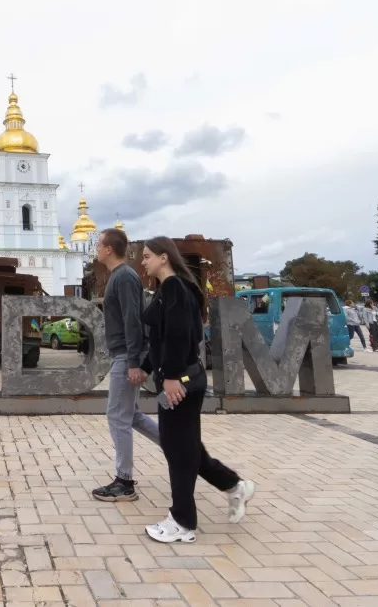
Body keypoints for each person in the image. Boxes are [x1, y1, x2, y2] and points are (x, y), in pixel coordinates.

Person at [137, 236, 254, 544]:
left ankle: (183, 522)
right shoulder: (170, 290)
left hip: (182, 382)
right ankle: (235, 487)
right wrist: (148, 368)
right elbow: (161, 339)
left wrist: (172, 377)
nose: (143, 261)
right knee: (185, 449)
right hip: (180, 379)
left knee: (178, 452)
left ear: (164, 258)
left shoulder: (175, 287)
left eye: (148, 256)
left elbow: (178, 336)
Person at [91, 227, 160, 503]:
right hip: (123, 354)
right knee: (131, 415)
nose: (96, 248)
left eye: (98, 244)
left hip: (126, 356)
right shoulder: (119, 276)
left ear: (109, 249)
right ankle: (179, 446)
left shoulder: (124, 277)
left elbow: (134, 320)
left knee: (117, 417)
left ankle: (124, 482)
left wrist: (134, 362)